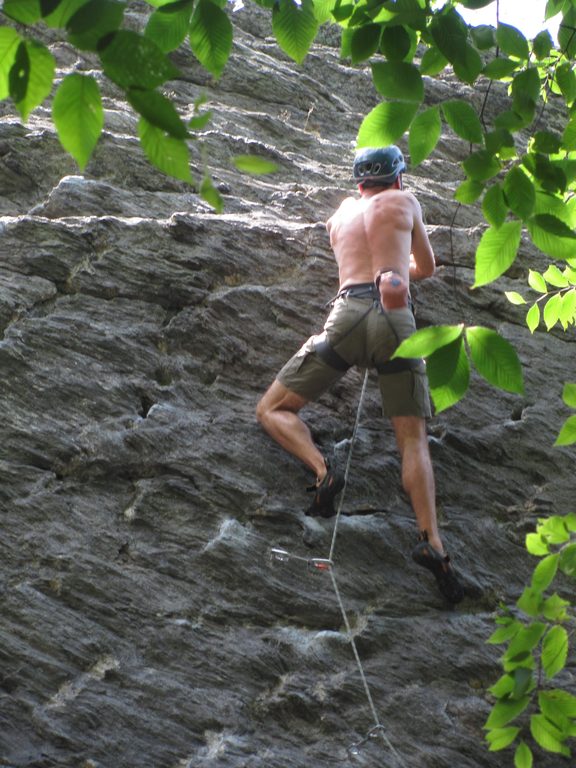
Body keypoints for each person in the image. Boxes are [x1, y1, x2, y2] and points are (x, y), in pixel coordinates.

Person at [256, 146, 464, 604]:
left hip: (346, 316)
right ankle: (433, 544)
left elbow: (350, 255)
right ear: (398, 180)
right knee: (412, 440)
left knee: (272, 409)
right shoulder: (406, 203)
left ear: (358, 184)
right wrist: (399, 269)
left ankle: (322, 470)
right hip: (395, 318)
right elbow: (425, 268)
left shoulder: (340, 215)